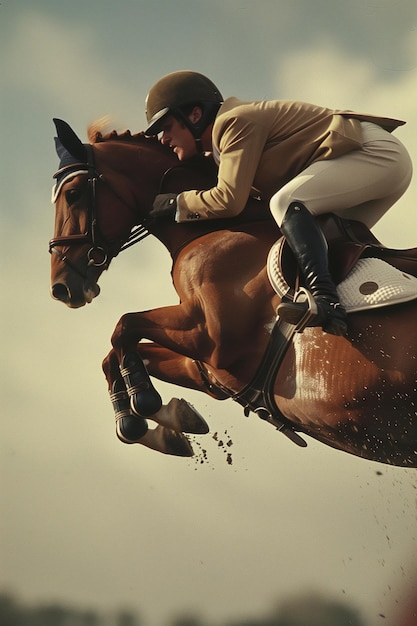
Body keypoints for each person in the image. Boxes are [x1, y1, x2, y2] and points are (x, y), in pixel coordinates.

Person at [145, 70, 412, 336]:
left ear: (194, 115)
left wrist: (177, 203)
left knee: (288, 202)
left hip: (374, 154)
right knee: (330, 243)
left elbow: (229, 201)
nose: (163, 139)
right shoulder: (223, 144)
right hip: (380, 162)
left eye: (167, 128)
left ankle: (324, 301)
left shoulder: (233, 121)